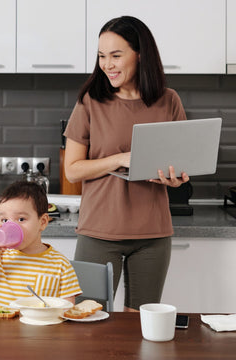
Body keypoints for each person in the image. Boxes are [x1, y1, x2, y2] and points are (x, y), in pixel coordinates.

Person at [64, 15, 190, 311]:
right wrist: (120, 159)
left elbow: (182, 166)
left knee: (140, 328)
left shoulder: (169, 100)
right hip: (99, 232)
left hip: (153, 234)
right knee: (89, 322)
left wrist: (177, 178)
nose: (107, 64)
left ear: (140, 55)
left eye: (116, 56)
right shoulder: (90, 102)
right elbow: (72, 169)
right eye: (101, 56)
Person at [0, 181, 81, 306]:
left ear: (43, 222)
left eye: (21, 219)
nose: (11, 227)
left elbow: (67, 309)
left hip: (40, 325)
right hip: (0, 324)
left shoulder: (60, 265)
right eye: (5, 220)